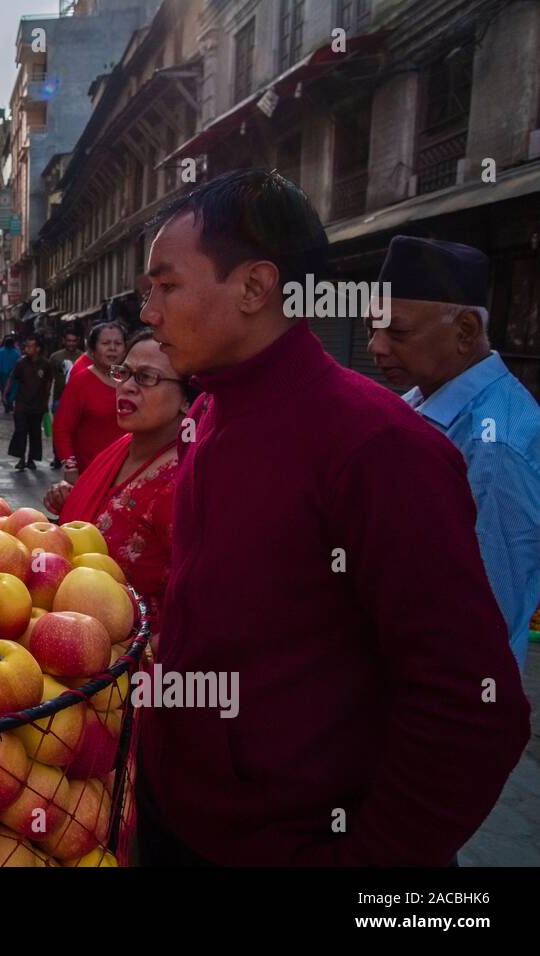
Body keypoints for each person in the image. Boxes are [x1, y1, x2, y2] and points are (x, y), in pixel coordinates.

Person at [136, 168, 529, 866]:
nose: (149, 312)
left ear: (256, 287)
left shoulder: (378, 447)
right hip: (180, 820)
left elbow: (472, 708)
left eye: (166, 286)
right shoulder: (208, 414)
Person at [368, 236, 540, 674]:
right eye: (373, 328)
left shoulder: (495, 444)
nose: (376, 347)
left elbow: (485, 614)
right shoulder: (416, 404)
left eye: (397, 332)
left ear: (465, 331)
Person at [44, 328, 194, 622]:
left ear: (186, 399)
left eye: (146, 377)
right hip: (74, 629)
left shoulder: (181, 484)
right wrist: (76, 501)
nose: (126, 387)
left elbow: (198, 607)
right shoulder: (122, 448)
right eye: (124, 373)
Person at [51, 321, 127, 480]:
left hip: (126, 472)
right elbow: (61, 428)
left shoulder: (132, 381)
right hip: (91, 473)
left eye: (118, 343)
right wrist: (70, 466)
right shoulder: (80, 381)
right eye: (105, 343)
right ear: (92, 350)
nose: (112, 348)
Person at [7, 335, 52, 470]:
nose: (26, 349)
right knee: (21, 431)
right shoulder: (21, 363)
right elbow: (12, 378)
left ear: (37, 348)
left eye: (30, 346)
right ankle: (21, 458)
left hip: (38, 404)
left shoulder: (46, 364)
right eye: (26, 346)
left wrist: (46, 400)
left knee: (35, 432)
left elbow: (48, 382)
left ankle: (31, 459)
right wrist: (6, 394)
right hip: (22, 403)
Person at [47, 327, 84, 468]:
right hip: (59, 398)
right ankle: (58, 457)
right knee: (59, 429)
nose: (71, 344)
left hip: (78, 400)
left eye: (74, 341)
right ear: (64, 341)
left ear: (78, 341)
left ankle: (73, 457)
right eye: (69, 341)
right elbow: (49, 379)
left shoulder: (83, 357)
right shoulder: (55, 357)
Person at [0, 334, 20, 413]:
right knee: (13, 390)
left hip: (2, 375)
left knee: (4, 389)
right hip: (13, 376)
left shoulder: (0, 352)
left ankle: (6, 404)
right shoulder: (16, 353)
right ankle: (9, 403)